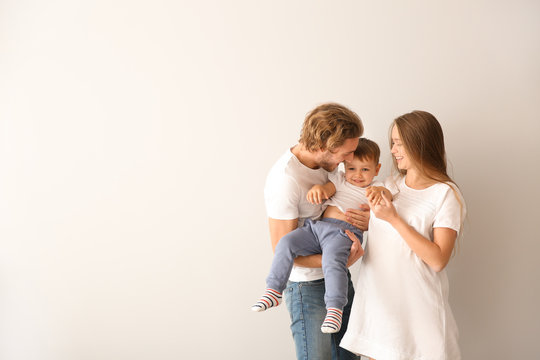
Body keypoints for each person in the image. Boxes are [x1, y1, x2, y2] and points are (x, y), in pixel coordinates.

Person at [340, 111, 466, 360]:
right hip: (378, 309)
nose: (393, 150)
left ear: (419, 142)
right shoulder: (387, 186)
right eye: (393, 143)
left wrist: (393, 219)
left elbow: (439, 259)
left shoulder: (445, 194)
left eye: (399, 143)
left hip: (419, 315)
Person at [261, 103, 367, 360]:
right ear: (323, 146)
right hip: (306, 288)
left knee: (350, 356)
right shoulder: (286, 180)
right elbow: (282, 250)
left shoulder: (328, 167)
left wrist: (363, 221)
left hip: (336, 278)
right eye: (347, 153)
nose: (350, 160)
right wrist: (336, 260)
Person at [253, 138, 391, 335]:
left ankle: (334, 308)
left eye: (365, 170)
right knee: (286, 242)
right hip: (318, 228)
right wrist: (319, 190)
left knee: (333, 260)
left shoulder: (376, 188)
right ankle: (274, 289)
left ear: (376, 170)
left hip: (343, 234)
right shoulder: (339, 179)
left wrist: (380, 191)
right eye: (351, 168)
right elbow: (328, 189)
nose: (357, 175)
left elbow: (388, 196)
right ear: (344, 166)